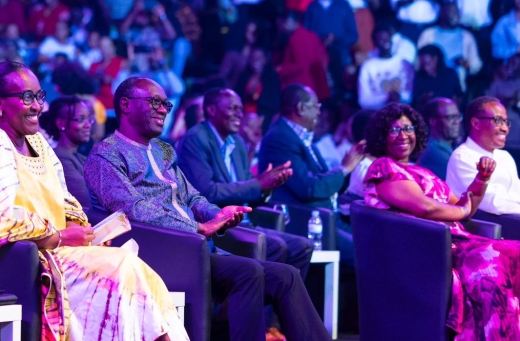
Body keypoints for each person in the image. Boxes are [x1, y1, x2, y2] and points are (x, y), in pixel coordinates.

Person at [0, 62, 187, 341]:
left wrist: (84, 231)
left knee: (137, 271)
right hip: (26, 260)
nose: (39, 106)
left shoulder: (37, 142)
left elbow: (64, 200)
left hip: (57, 250)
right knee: (123, 268)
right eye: (27, 97)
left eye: (40, 96)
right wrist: (60, 236)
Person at [85, 76, 330, 341]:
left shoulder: (162, 151)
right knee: (249, 273)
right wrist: (196, 227)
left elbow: (193, 197)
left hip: (196, 248)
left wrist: (217, 215)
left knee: (287, 275)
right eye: (154, 101)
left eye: (165, 104)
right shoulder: (105, 156)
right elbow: (133, 210)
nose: (162, 109)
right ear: (125, 104)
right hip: (155, 253)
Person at [362, 103, 520, 339]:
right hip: (428, 248)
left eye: (408, 128)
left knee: (514, 251)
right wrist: (463, 210)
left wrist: (482, 179)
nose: (403, 135)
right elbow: (426, 208)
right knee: (501, 253)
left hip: (454, 241)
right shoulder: (384, 168)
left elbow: (465, 205)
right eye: (394, 130)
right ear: (381, 136)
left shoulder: (422, 172)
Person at [176, 89, 314, 278]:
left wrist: (267, 186)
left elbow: (249, 187)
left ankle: (279, 305)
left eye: (240, 109)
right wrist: (258, 184)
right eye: (232, 108)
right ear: (212, 110)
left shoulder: (238, 143)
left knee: (303, 247)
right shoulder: (196, 138)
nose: (239, 114)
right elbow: (206, 191)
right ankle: (259, 306)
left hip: (247, 223)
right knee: (277, 247)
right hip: (219, 226)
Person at [258, 84, 364, 260]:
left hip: (329, 217)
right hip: (306, 221)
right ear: (301, 108)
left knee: (375, 244)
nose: (319, 113)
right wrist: (345, 169)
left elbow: (319, 178)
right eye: (316, 107)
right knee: (363, 255)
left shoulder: (301, 137)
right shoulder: (281, 138)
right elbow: (309, 188)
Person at [446, 96, 520, 215]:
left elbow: (516, 191)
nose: (505, 129)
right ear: (476, 123)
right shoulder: (462, 157)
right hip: (480, 228)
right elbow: (491, 203)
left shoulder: (505, 156)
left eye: (506, 122)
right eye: (498, 121)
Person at [40, 95, 94, 209]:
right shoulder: (59, 157)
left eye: (89, 119)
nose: (88, 125)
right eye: (81, 119)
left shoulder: (79, 157)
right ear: (61, 124)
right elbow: (88, 201)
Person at [358, 26, 415, 109]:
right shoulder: (368, 66)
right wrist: (386, 98)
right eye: (381, 39)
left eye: (387, 38)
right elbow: (363, 100)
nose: (385, 42)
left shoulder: (404, 63)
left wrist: (399, 97)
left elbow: (411, 94)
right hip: (378, 114)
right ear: (375, 43)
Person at [417, 97, 463, 180]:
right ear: (433, 121)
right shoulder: (432, 152)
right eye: (450, 117)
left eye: (457, 116)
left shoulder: (452, 146)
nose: (456, 122)